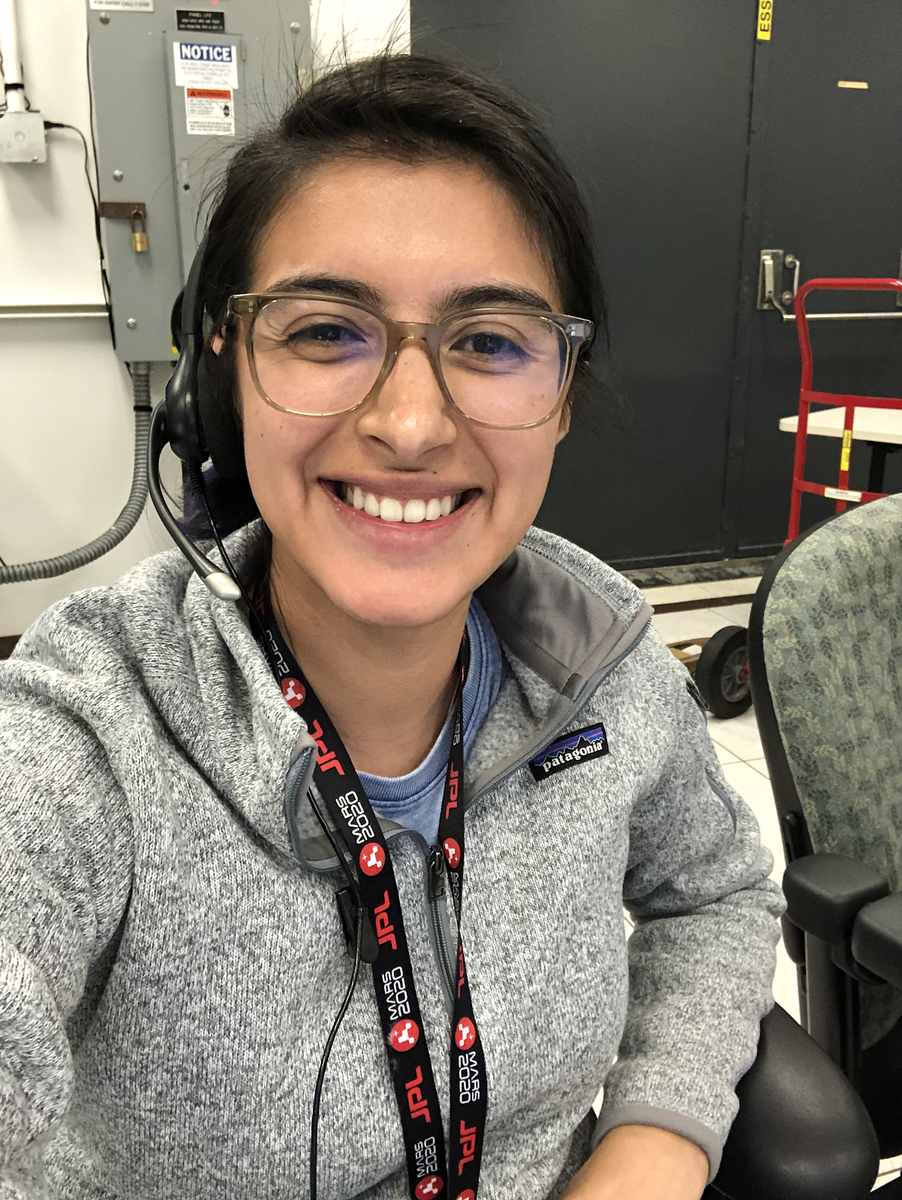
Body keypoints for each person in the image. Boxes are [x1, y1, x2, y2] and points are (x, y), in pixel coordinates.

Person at [0, 53, 782, 1200]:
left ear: (557, 397)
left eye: (489, 341)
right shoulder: (92, 726)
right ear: (220, 376)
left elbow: (712, 894)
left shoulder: (599, 656)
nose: (410, 424)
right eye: (324, 331)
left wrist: (651, 1142)